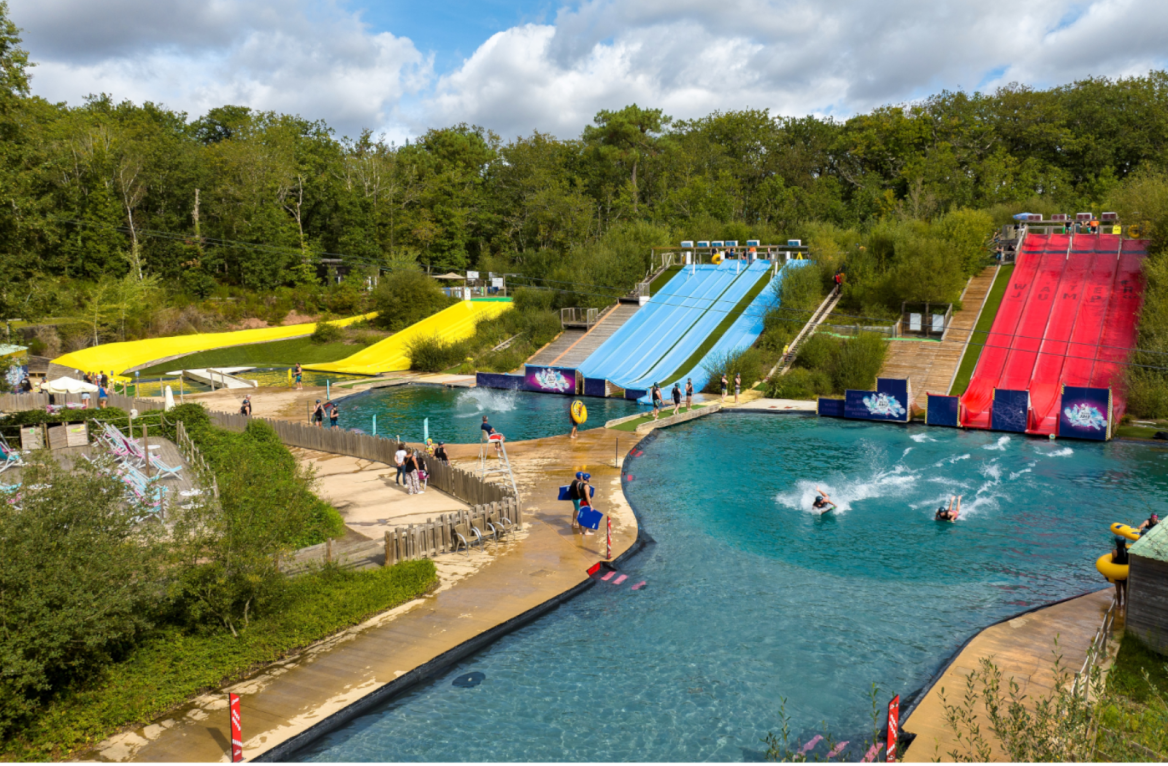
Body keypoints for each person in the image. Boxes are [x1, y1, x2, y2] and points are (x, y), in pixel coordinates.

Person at [1112, 535, 1130, 608]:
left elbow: (1113, 561)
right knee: (1125, 590)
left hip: (1118, 572)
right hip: (1125, 572)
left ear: (1117, 543)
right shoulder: (1128, 551)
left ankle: (1119, 605)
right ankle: (1125, 605)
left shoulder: (1114, 551)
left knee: (1118, 590)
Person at [577, 472, 596, 537]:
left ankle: (580, 531)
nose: (590, 479)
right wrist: (590, 505)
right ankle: (587, 531)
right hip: (586, 502)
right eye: (589, 478)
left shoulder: (580, 484)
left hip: (581, 501)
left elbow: (579, 493)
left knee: (581, 515)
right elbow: (587, 496)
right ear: (587, 478)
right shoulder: (586, 486)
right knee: (588, 516)